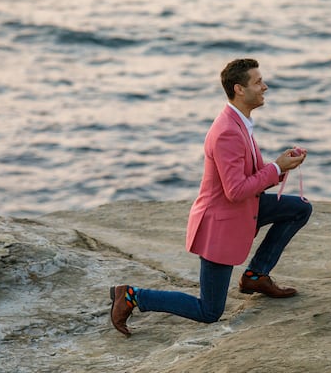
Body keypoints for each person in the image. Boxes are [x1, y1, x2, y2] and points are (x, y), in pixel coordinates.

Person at [110, 58, 312, 336]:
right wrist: (276, 168)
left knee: (299, 208)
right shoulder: (227, 131)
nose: (265, 87)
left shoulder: (240, 122)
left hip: (243, 210)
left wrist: (280, 166)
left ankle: (255, 276)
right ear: (239, 89)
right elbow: (236, 190)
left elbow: (249, 178)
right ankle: (132, 295)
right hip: (221, 224)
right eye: (258, 82)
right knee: (209, 311)